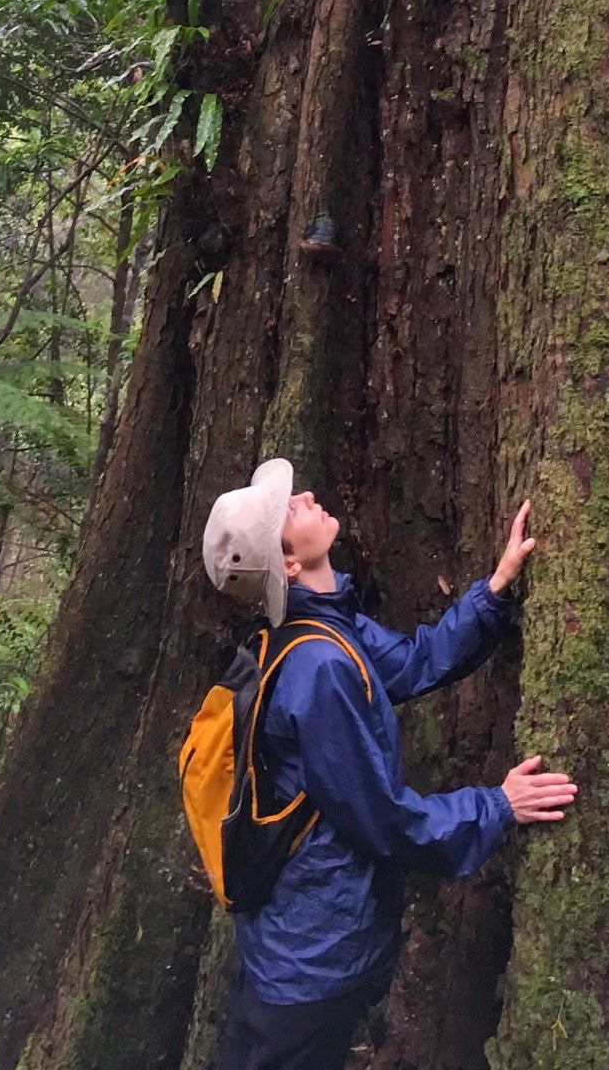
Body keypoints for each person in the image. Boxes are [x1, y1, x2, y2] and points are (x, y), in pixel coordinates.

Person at [200, 458, 577, 1070]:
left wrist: (495, 590)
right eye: (287, 510)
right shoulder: (317, 668)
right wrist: (497, 806)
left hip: (293, 942)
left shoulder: (315, 630)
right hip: (310, 956)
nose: (307, 497)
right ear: (289, 564)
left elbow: (411, 662)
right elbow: (383, 819)